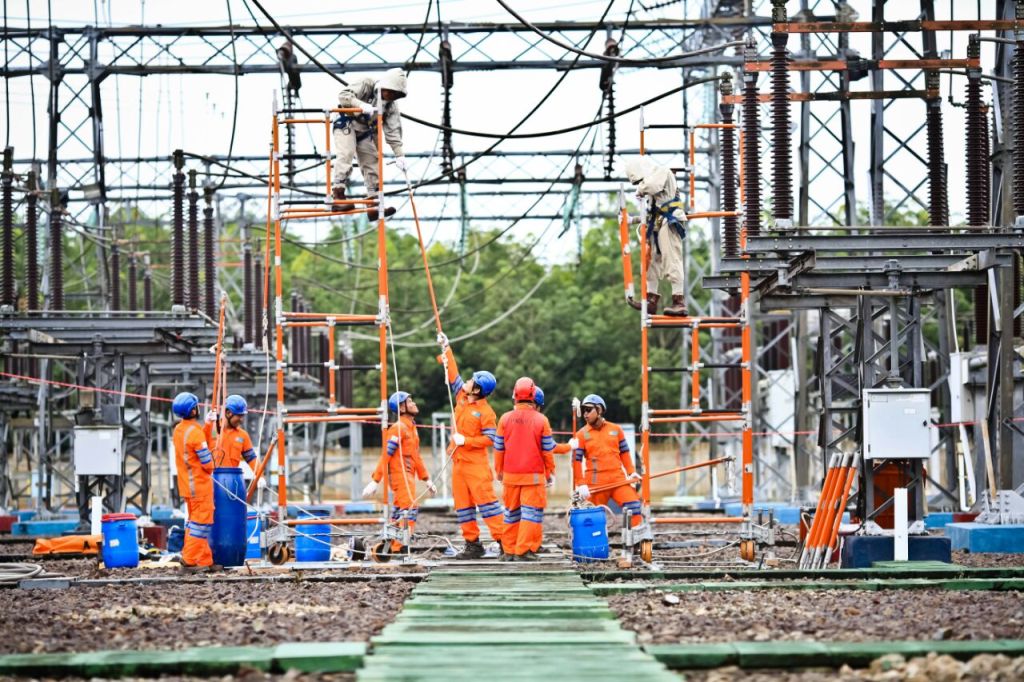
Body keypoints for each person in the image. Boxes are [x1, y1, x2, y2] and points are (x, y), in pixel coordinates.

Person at [437, 337, 505, 560]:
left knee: (488, 506)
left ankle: (505, 541)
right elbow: (453, 374)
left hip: (476, 466)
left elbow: (491, 439)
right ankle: (473, 544)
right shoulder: (461, 397)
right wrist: (447, 349)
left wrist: (466, 441)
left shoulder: (486, 412)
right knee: (463, 506)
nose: (466, 381)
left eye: (471, 380)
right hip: (458, 463)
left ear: (477, 389)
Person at [362, 391, 437, 553]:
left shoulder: (411, 428)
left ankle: (390, 543)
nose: (414, 403)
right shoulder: (398, 428)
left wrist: (427, 479)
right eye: (410, 401)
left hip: (407, 476)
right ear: (401, 408)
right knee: (409, 509)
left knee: (399, 511)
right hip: (399, 475)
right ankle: (399, 547)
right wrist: (375, 480)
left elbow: (416, 456)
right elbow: (386, 455)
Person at [332, 68, 408, 221]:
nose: (391, 96)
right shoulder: (366, 84)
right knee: (346, 153)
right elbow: (343, 96)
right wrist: (359, 104)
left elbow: (392, 130)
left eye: (395, 94)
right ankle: (338, 194)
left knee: (372, 161)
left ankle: (373, 203)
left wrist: (399, 154)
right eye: (391, 91)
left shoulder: (390, 106)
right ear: (385, 85)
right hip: (346, 122)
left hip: (365, 129)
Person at [494, 377, 556, 561]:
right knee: (531, 514)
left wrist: (498, 471)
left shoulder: (504, 419)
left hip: (511, 476)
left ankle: (509, 551)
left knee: (511, 513)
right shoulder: (541, 420)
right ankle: (523, 551)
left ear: (515, 396)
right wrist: (550, 471)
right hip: (533, 478)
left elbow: (499, 448)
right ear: (533, 395)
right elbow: (547, 451)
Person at [624, 156, 688, 316]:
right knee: (650, 262)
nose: (640, 184)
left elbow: (652, 186)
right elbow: (652, 212)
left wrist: (640, 189)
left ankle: (678, 301)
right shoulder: (649, 187)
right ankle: (651, 301)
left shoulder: (662, 172)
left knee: (672, 260)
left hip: (669, 221)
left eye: (639, 181)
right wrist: (632, 220)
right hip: (658, 223)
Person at [571, 394, 643, 529]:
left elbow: (625, 453)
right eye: (583, 410)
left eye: (588, 409)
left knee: (634, 506)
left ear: (599, 410)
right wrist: (580, 484)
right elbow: (576, 461)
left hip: (618, 480)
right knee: (590, 517)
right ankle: (593, 546)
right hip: (595, 484)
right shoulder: (581, 434)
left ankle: (635, 542)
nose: (585, 414)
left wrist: (632, 472)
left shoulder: (616, 430)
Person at [171, 392, 217, 570]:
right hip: (200, 487)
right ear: (193, 410)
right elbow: (208, 464)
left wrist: (208, 424)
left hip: (187, 488)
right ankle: (189, 560)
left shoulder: (179, 429)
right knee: (201, 524)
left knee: (195, 523)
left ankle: (204, 561)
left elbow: (197, 440)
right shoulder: (195, 433)